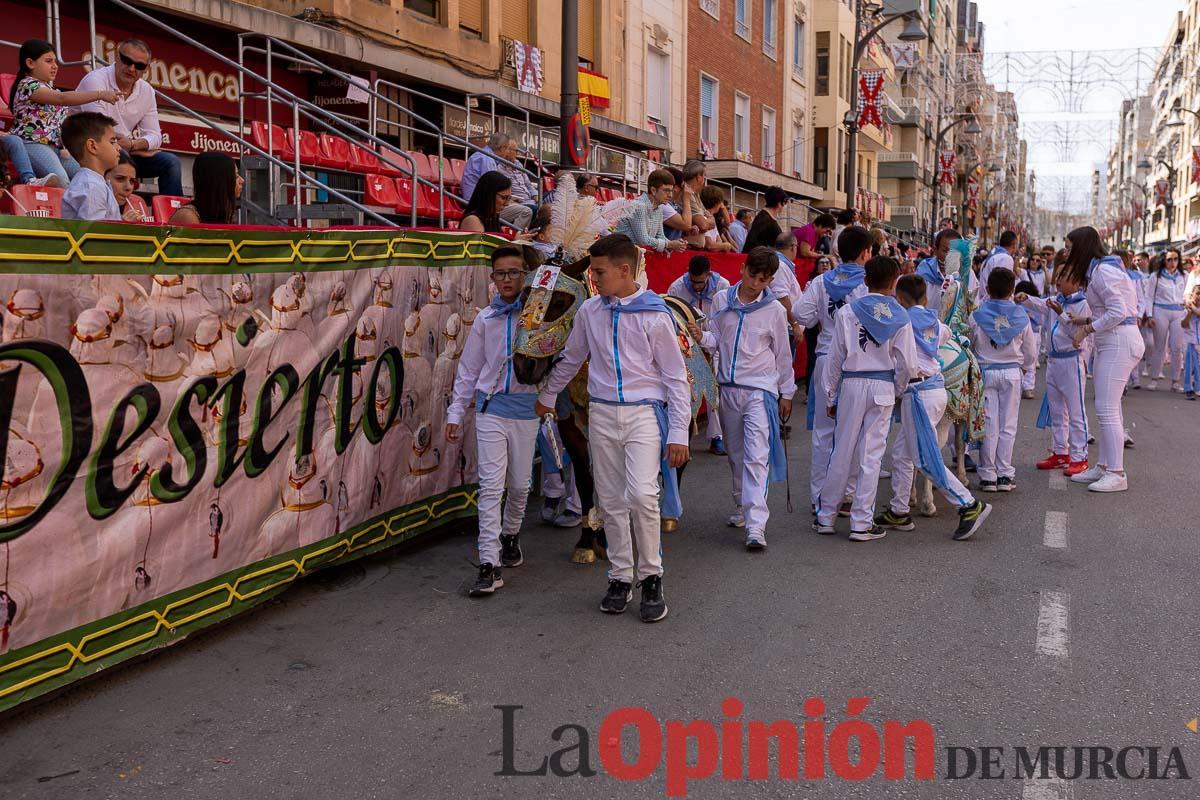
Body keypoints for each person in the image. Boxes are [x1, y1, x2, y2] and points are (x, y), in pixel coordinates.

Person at [535, 234, 690, 622]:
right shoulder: (590, 311)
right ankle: (620, 576)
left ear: (625, 270)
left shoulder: (656, 314)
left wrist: (679, 432)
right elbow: (572, 358)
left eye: (600, 271)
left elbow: (674, 377)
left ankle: (652, 575)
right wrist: (549, 394)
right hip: (602, 414)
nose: (594, 277)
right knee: (610, 501)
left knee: (641, 495)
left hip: (642, 414)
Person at [447, 246, 538, 596]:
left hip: (527, 409)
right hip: (490, 410)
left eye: (514, 272)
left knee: (519, 486)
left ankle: (511, 534)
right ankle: (489, 562)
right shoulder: (486, 318)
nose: (507, 280)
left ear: (525, 275)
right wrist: (457, 411)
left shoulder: (538, 318)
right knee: (490, 487)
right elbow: (469, 370)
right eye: (500, 274)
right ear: (493, 279)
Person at [875, 274, 991, 541]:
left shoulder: (900, 322)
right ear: (926, 299)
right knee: (902, 454)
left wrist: (896, 390)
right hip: (937, 389)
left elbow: (903, 365)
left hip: (918, 393)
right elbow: (948, 333)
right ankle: (898, 509)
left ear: (899, 299)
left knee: (925, 458)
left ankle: (969, 505)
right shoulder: (934, 322)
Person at [813, 256, 917, 541]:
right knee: (871, 456)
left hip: (852, 383)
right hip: (882, 384)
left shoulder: (848, 311)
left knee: (841, 450)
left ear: (865, 279)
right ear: (894, 281)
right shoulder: (900, 315)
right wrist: (896, 389)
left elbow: (835, 359)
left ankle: (826, 517)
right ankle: (861, 522)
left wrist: (830, 395)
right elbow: (908, 364)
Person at [702, 247, 794, 550]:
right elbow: (715, 339)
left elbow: (783, 353)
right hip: (727, 388)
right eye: (753, 275)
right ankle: (742, 506)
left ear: (770, 280)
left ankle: (757, 526)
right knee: (736, 454)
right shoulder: (720, 301)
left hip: (760, 390)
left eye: (764, 279)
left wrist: (787, 391)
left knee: (756, 455)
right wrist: (699, 335)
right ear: (742, 269)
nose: (756, 283)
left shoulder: (775, 311)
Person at [794, 226, 871, 516]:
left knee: (824, 434)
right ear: (866, 253)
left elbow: (801, 314)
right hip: (857, 362)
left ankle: (819, 498)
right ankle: (847, 497)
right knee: (854, 432)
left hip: (826, 358)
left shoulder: (821, 280)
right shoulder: (869, 282)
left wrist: (823, 321)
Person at [1061, 226, 1143, 493]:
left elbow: (1119, 311)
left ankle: (1117, 473)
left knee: (1106, 409)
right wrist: (1086, 321)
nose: (1066, 252)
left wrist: (1087, 328)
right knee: (1110, 408)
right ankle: (1106, 466)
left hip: (1119, 340)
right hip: (1116, 340)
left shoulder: (1103, 271)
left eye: (1069, 248)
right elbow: (1117, 309)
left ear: (1082, 248)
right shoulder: (1100, 270)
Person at [77, 38, 181, 196]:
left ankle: (175, 218)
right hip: (87, 149)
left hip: (122, 150)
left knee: (171, 162)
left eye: (139, 66)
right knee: (120, 155)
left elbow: (155, 136)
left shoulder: (146, 91)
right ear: (116, 58)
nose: (131, 68)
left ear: (146, 69)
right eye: (127, 61)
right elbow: (101, 131)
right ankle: (119, 215)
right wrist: (127, 146)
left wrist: (133, 144)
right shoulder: (95, 80)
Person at [8, 39, 118, 187]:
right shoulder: (27, 85)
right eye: (48, 61)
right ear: (30, 63)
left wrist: (66, 146)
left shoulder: (51, 89)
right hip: (32, 143)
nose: (54, 66)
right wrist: (100, 94)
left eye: (55, 62)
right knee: (62, 181)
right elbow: (62, 98)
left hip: (57, 148)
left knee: (89, 179)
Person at [1017, 265, 1091, 476]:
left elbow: (1078, 332)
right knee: (1057, 411)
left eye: (1064, 277)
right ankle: (1061, 452)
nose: (1058, 281)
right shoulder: (1056, 299)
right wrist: (1026, 298)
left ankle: (1080, 456)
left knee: (1076, 411)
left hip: (1071, 361)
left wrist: (1061, 314)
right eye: (1058, 277)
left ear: (1076, 281)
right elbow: (1040, 305)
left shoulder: (1083, 304)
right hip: (1054, 361)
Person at [969, 267, 1038, 492]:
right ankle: (1004, 474)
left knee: (988, 424)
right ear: (1012, 291)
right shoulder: (1020, 316)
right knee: (1008, 425)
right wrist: (1027, 367)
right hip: (1011, 373)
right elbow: (1030, 350)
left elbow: (969, 342)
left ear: (988, 289)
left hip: (985, 371)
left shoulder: (976, 314)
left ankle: (987, 475)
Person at [668, 254, 731, 455]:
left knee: (715, 388)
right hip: (687, 345)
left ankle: (716, 437)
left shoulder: (723, 286)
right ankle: (681, 434)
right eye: (693, 282)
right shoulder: (677, 287)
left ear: (709, 275)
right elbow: (671, 317)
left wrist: (706, 338)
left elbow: (724, 321)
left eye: (700, 282)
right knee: (683, 390)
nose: (696, 287)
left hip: (713, 341)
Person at [459, 133, 535, 229]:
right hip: (477, 205)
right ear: (502, 148)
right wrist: (509, 200)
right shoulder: (487, 158)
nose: (507, 152)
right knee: (526, 211)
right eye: (507, 149)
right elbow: (492, 189)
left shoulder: (485, 156)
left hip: (480, 202)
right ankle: (515, 237)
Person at [60, 111, 121, 221]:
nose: (119, 148)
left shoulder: (95, 183)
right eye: (112, 142)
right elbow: (94, 234)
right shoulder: (91, 186)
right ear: (92, 146)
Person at [613, 168, 687, 253]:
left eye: (671, 191)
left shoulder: (659, 209)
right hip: (619, 254)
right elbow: (643, 240)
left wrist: (676, 244)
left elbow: (660, 236)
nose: (670, 195)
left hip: (631, 255)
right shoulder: (638, 206)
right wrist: (669, 244)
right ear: (653, 190)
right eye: (666, 190)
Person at [1146, 247, 1187, 391]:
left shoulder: (1184, 275)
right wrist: (1149, 315)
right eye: (1169, 259)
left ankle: (1176, 381)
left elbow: (1188, 295)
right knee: (1160, 347)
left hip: (1179, 312)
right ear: (1164, 260)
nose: (1173, 262)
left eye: (1176, 259)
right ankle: (1154, 379)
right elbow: (1149, 297)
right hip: (1160, 311)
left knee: (1177, 348)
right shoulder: (1155, 276)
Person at [168, 152, 244, 225]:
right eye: (236, 176)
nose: (242, 180)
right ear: (219, 182)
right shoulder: (188, 216)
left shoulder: (223, 212)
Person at [916, 229, 978, 317]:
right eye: (945, 251)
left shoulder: (967, 274)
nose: (950, 256)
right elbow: (915, 307)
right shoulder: (924, 272)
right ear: (935, 250)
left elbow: (973, 307)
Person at [976, 230, 1019, 302]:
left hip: (985, 300)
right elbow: (1005, 287)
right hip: (996, 304)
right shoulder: (1005, 258)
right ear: (1014, 245)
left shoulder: (992, 255)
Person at [742, 187, 788, 252]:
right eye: (784, 202)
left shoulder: (762, 216)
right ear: (779, 203)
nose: (784, 206)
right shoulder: (769, 221)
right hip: (759, 259)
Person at [106, 153, 150, 221]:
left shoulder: (137, 202)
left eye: (132, 181)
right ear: (103, 177)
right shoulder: (92, 201)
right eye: (120, 179)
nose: (128, 187)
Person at [697, 186, 735, 251]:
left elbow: (719, 241)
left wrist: (721, 245)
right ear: (716, 203)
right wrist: (727, 245)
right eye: (721, 202)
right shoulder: (703, 218)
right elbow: (710, 245)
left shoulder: (712, 218)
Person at [1182, 283, 1200, 400]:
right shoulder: (1187, 309)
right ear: (1192, 294)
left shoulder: (1193, 307)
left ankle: (1198, 387)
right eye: (1197, 293)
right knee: (1189, 366)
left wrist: (1192, 308)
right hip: (1190, 341)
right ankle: (1188, 389)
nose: (1199, 297)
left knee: (1198, 366)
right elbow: (1183, 324)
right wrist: (1189, 313)